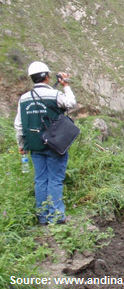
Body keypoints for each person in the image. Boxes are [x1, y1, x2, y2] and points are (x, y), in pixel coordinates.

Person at [14, 61, 76, 225]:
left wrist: (22, 145)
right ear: (47, 77)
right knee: (55, 180)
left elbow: (19, 125)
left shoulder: (24, 98)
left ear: (32, 79)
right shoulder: (55, 95)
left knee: (40, 180)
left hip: (35, 145)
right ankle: (56, 216)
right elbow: (70, 103)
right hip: (55, 144)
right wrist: (66, 85)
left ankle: (42, 216)